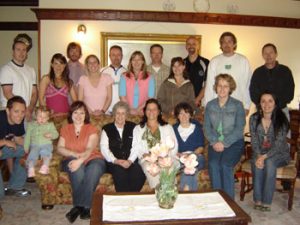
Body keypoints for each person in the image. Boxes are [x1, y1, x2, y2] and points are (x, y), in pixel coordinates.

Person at [57, 101, 105, 223]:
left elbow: (90, 148)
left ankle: (78, 207)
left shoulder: (91, 128)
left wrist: (81, 160)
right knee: (77, 170)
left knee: (94, 170)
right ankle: (85, 208)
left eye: (82, 113)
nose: (78, 116)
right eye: (75, 112)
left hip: (93, 158)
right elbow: (60, 148)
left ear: (86, 115)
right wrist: (74, 155)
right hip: (71, 158)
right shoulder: (65, 129)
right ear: (71, 114)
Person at [204, 74, 245, 199]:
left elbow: (239, 129)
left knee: (225, 165)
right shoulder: (210, 105)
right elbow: (206, 127)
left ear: (230, 88)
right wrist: (215, 142)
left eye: (225, 86)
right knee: (213, 164)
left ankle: (229, 202)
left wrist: (224, 143)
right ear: (215, 87)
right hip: (215, 143)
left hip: (234, 143)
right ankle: (217, 200)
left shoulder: (237, 105)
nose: (222, 89)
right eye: (219, 86)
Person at [250, 92, 290, 212]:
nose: (266, 104)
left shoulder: (282, 119)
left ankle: (267, 201)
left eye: (270, 101)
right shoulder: (254, 118)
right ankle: (258, 199)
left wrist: (264, 157)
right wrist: (259, 156)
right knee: (258, 165)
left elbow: (278, 145)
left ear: (275, 103)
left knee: (270, 163)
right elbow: (254, 140)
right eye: (263, 101)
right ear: (259, 104)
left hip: (279, 154)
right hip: (259, 152)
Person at [130, 98, 178, 188]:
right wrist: (148, 156)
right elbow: (136, 147)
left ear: (159, 111)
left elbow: (174, 146)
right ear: (144, 111)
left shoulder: (167, 127)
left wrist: (163, 157)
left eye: (154, 109)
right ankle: (159, 197)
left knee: (168, 169)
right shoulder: (138, 129)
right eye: (148, 109)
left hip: (166, 158)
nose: (151, 111)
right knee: (152, 171)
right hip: (148, 160)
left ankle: (170, 197)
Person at [100, 101, 145, 192]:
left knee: (139, 171)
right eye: (118, 113)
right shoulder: (107, 128)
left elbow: (137, 146)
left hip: (131, 161)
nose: (120, 116)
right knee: (120, 172)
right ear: (114, 114)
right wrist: (115, 160)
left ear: (127, 115)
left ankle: (130, 198)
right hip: (114, 163)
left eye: (123, 113)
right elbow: (104, 147)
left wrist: (130, 161)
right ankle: (124, 199)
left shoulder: (134, 127)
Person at [203, 32, 252, 113]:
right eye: (224, 42)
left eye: (229, 41)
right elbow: (210, 85)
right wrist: (207, 105)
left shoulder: (243, 60)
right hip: (218, 106)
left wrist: (247, 105)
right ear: (221, 45)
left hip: (238, 105)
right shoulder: (214, 61)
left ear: (234, 44)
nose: (227, 44)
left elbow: (248, 84)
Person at [250, 43, 295, 119]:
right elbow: (253, 92)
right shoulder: (258, 72)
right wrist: (264, 105)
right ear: (262, 55)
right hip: (262, 111)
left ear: (276, 54)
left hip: (281, 110)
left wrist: (276, 105)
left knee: (283, 131)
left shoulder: (285, 70)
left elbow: (290, 91)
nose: (268, 55)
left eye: (271, 52)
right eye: (265, 53)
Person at [0, 33, 37, 121]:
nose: (21, 53)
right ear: (13, 52)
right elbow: (7, 93)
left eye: (24, 50)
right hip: (12, 113)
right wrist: (22, 110)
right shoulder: (6, 69)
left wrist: (30, 109)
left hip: (26, 112)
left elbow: (34, 93)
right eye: (18, 50)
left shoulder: (31, 70)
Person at [0, 96, 31, 199]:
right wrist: (5, 142)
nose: (20, 115)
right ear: (8, 111)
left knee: (26, 151)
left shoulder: (19, 120)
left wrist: (33, 146)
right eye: (16, 111)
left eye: (23, 112)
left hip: (2, 149)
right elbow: (8, 142)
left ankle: (14, 187)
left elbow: (18, 139)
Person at [173, 102, 205, 191]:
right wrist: (177, 153)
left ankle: (186, 190)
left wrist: (191, 155)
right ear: (177, 116)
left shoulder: (197, 128)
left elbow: (201, 148)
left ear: (190, 115)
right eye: (181, 113)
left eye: (186, 113)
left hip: (196, 157)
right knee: (188, 169)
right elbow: (170, 146)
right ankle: (188, 193)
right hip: (179, 158)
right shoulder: (173, 129)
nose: (184, 116)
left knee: (190, 165)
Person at [23, 106, 59, 177]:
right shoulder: (31, 125)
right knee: (32, 155)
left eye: (44, 117)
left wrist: (51, 135)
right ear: (36, 116)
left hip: (46, 144)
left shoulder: (50, 125)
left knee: (46, 153)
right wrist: (26, 147)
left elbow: (56, 134)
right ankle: (31, 168)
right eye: (40, 116)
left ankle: (45, 166)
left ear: (48, 118)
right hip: (35, 144)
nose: (42, 119)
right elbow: (27, 137)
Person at [119, 51, 155, 116]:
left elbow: (150, 97)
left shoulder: (150, 77)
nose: (136, 62)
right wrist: (130, 110)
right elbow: (122, 96)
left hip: (144, 111)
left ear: (143, 62)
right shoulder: (124, 76)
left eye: (139, 60)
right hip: (127, 112)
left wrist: (139, 109)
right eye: (134, 60)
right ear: (131, 62)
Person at [184, 36, 209, 106]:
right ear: (186, 47)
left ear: (198, 46)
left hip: (200, 103)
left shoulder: (206, 63)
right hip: (184, 103)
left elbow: (207, 84)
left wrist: (197, 99)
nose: (191, 46)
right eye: (189, 44)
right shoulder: (182, 63)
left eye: (194, 44)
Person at [101, 45, 127, 114]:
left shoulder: (127, 73)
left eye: (118, 55)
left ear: (122, 56)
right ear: (109, 56)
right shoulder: (102, 71)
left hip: (121, 110)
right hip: (105, 110)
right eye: (113, 55)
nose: (116, 57)